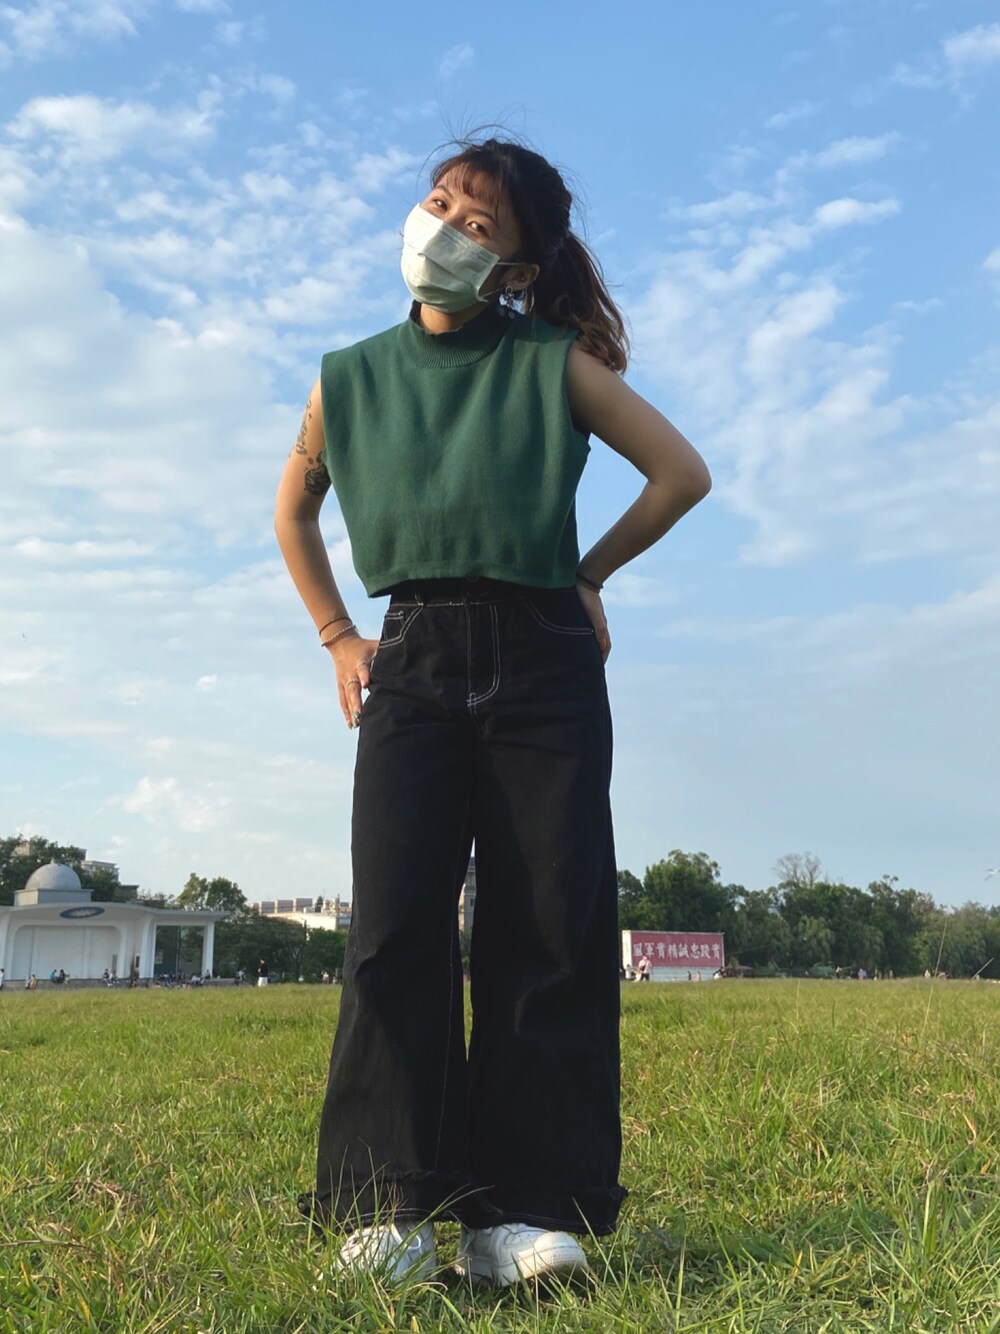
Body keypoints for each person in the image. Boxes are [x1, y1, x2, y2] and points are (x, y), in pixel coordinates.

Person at [275, 136, 710, 1287]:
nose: (442, 229)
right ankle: (389, 1206)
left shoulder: (551, 363)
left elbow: (680, 472)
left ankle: (524, 1211)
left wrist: (588, 572)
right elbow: (292, 511)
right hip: (410, 655)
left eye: (476, 224)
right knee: (394, 927)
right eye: (437, 202)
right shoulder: (346, 378)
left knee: (548, 924)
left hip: (543, 657)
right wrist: (337, 634)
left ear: (514, 269)